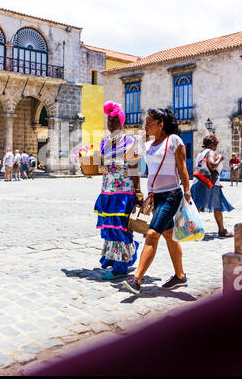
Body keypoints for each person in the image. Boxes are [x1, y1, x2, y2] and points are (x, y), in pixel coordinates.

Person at [123, 108, 190, 294]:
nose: (146, 126)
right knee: (168, 235)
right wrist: (141, 139)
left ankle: (136, 279)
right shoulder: (149, 144)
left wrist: (187, 191)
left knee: (152, 234)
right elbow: (127, 157)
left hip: (171, 195)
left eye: (150, 123)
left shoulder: (174, 140)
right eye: (146, 122)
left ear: (161, 124)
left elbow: (183, 168)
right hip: (155, 197)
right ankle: (180, 276)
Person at [94, 101, 142, 280]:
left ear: (121, 122)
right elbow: (101, 166)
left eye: (114, 120)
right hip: (107, 190)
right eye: (109, 121)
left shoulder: (130, 141)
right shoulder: (104, 142)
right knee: (110, 227)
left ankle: (120, 267)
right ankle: (122, 255)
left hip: (124, 191)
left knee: (120, 227)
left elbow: (134, 167)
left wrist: (138, 192)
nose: (111, 124)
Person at [191, 134, 234, 237]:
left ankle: (191, 229)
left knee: (198, 206)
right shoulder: (211, 152)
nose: (216, 147)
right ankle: (221, 230)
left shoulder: (200, 154)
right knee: (216, 206)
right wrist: (220, 158)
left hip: (200, 182)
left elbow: (205, 169)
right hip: (208, 185)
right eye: (216, 145)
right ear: (212, 144)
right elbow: (212, 166)